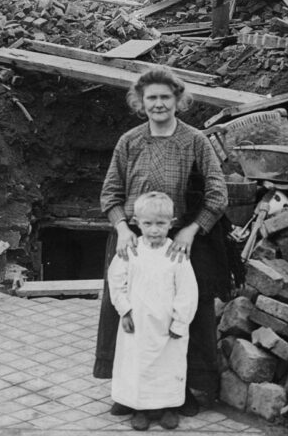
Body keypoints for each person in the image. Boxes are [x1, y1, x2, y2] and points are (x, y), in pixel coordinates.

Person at [94, 67, 229, 418]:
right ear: (141, 102)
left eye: (165, 97)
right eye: (151, 97)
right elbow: (110, 193)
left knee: (186, 316)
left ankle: (181, 391)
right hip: (133, 241)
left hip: (181, 244)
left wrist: (190, 230)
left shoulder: (195, 141)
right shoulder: (130, 141)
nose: (158, 104)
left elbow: (218, 193)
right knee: (127, 316)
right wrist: (123, 229)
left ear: (178, 100)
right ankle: (129, 390)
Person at [108, 191, 198, 431]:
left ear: (172, 223)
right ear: (137, 223)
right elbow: (116, 280)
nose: (155, 230)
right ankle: (139, 407)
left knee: (169, 365)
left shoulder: (176, 254)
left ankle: (168, 406)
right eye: (148, 224)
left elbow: (187, 291)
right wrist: (124, 310)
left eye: (161, 224)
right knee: (137, 364)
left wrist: (180, 322)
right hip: (138, 323)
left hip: (168, 326)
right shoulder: (132, 250)